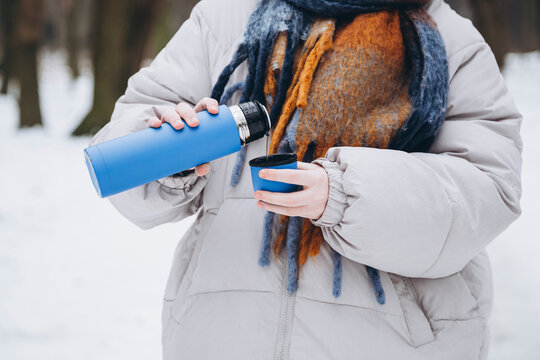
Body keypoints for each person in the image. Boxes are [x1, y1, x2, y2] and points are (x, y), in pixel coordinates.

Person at [88, 0, 522, 358]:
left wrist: (346, 195)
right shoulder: (223, 20)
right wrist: (167, 150)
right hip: (224, 337)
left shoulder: (450, 40)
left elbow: (486, 190)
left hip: (393, 344)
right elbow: (129, 158)